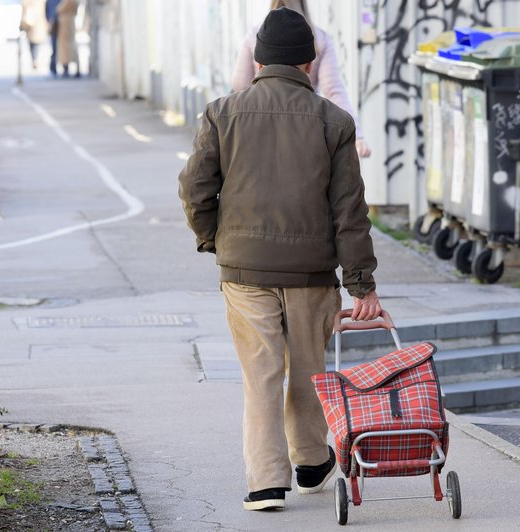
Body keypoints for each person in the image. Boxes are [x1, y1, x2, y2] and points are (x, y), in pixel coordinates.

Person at [178, 7, 381, 512]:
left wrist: (213, 239)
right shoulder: (335, 122)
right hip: (312, 274)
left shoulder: (221, 113)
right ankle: (312, 462)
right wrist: (361, 285)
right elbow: (349, 212)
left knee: (261, 374)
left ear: (259, 59)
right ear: (309, 63)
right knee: (311, 368)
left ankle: (265, 483)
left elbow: (194, 188)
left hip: (245, 272)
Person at [232, 0, 371, 158]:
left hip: (259, 126)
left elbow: (240, 85)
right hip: (307, 128)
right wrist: (357, 135)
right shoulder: (320, 38)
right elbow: (334, 91)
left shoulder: (254, 36)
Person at [20, 0, 48, 70]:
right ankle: (35, 59)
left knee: (34, 42)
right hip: (32, 22)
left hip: (34, 22)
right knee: (34, 42)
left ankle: (34, 59)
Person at [56, 0, 80, 78]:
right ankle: (73, 68)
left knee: (65, 47)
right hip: (70, 22)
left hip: (65, 23)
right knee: (71, 45)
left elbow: (59, 9)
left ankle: (66, 68)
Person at [45, 0, 60, 76]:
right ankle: (53, 68)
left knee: (56, 48)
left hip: (59, 24)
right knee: (54, 47)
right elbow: (46, 12)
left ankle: (54, 68)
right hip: (54, 24)